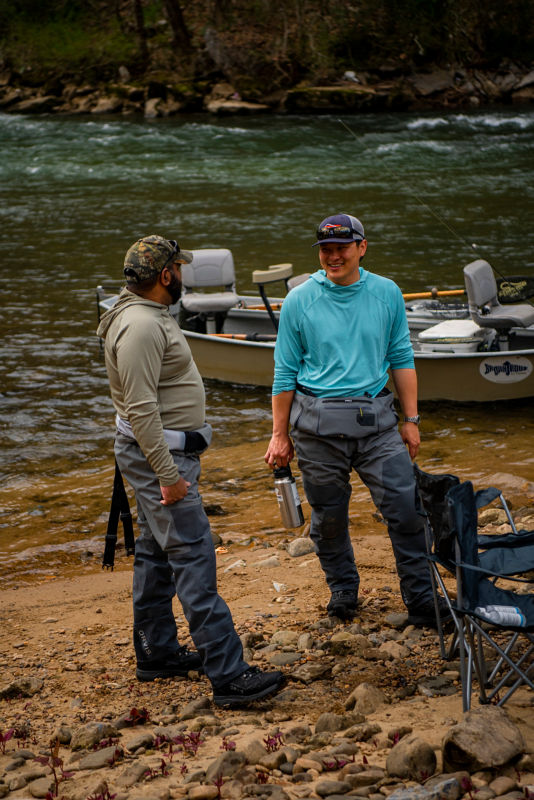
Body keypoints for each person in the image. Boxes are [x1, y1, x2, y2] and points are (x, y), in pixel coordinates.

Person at [97, 234, 283, 706]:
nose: (182, 274)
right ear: (165, 276)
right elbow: (140, 409)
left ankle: (157, 653)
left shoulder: (141, 314)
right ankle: (228, 674)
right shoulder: (140, 327)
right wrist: (167, 475)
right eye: (178, 268)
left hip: (156, 455)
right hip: (161, 459)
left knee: (157, 553)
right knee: (194, 554)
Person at [264, 213, 448, 627]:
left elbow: (401, 357)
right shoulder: (299, 300)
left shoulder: (386, 293)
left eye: (342, 248)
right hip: (316, 429)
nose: (333, 256)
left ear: (361, 248)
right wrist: (279, 435)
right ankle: (343, 589)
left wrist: (412, 419)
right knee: (328, 517)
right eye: (326, 250)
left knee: (405, 509)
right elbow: (283, 373)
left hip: (378, 424)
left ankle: (421, 599)